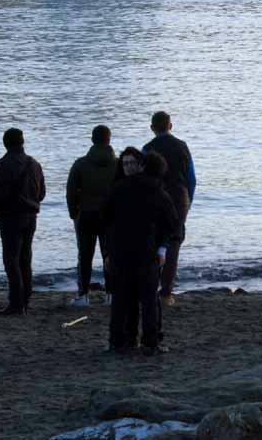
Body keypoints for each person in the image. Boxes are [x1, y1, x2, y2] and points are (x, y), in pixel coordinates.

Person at [102, 149, 180, 355]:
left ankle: (119, 341)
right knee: (148, 299)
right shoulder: (155, 190)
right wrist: (162, 247)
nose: (128, 167)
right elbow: (172, 224)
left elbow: (106, 222)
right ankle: (150, 342)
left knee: (122, 300)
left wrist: (108, 251)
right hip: (146, 251)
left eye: (131, 163)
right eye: (125, 163)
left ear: (140, 165)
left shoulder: (117, 189)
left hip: (123, 251)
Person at [143, 111, 195, 306]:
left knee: (153, 240)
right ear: (170, 126)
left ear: (152, 128)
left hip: (155, 197)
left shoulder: (147, 149)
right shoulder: (182, 146)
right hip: (179, 198)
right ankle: (166, 293)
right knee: (173, 243)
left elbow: (142, 176)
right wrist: (189, 200)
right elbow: (191, 178)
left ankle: (150, 287)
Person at [0, 127, 45, 315]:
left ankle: (16, 303)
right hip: (31, 217)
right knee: (25, 258)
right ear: (22, 142)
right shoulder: (34, 164)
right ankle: (25, 301)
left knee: (11, 259)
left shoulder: (5, 165)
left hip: (12, 217)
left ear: (5, 143)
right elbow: (42, 194)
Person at [66, 125, 117, 307]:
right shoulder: (118, 164)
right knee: (110, 255)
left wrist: (74, 213)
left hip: (86, 215)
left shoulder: (80, 164)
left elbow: (71, 191)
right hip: (111, 217)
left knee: (85, 256)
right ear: (109, 140)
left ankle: (83, 295)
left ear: (92, 140)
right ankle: (111, 295)